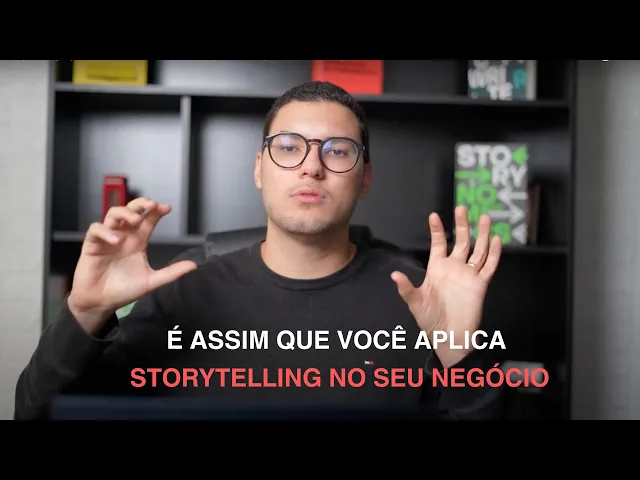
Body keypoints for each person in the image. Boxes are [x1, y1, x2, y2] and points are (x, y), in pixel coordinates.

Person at [15, 81, 504, 420]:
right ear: (258, 169)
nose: (311, 166)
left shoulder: (424, 299)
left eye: (337, 150)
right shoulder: (184, 295)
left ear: (365, 178)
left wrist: (462, 355)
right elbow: (38, 412)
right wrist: (84, 314)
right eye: (288, 147)